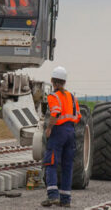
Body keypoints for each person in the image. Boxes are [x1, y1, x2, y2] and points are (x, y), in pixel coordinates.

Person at [41, 66, 81, 208]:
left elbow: (56, 112)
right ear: (64, 82)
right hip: (71, 131)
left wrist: (50, 128)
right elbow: (78, 116)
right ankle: (65, 199)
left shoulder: (53, 96)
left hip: (58, 131)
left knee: (51, 163)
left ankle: (53, 196)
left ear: (52, 81)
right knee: (67, 166)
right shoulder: (71, 97)